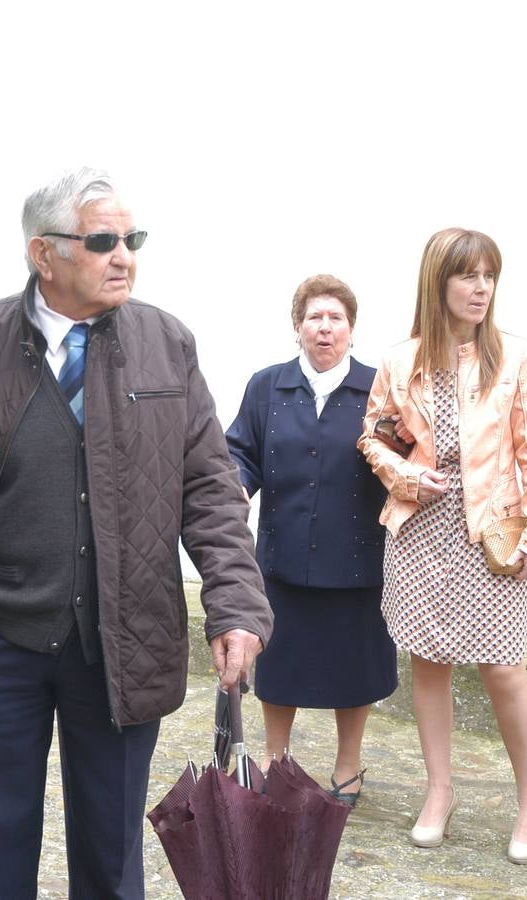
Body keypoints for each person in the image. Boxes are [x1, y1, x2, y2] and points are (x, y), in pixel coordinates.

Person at [0, 166, 273, 899]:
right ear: (43, 254)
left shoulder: (166, 342)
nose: (123, 255)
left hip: (121, 646)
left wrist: (236, 604)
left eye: (132, 239)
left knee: (111, 861)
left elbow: (209, 487)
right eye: (102, 241)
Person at [358, 227, 527, 865]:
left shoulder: (514, 359)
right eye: (467, 275)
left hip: (490, 533)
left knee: (503, 667)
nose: (480, 288)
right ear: (437, 283)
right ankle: (439, 791)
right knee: (429, 661)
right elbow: (374, 437)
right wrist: (408, 474)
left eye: (488, 276)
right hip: (421, 530)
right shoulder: (401, 360)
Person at [225, 274, 397, 805]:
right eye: (314, 317)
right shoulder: (267, 386)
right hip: (283, 556)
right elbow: (241, 452)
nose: (325, 328)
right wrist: (233, 489)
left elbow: (401, 458)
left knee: (356, 667)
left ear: (351, 328)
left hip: (357, 559)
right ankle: (277, 760)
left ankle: (348, 765)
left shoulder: (378, 388)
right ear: (298, 326)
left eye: (336, 318)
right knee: (280, 667)